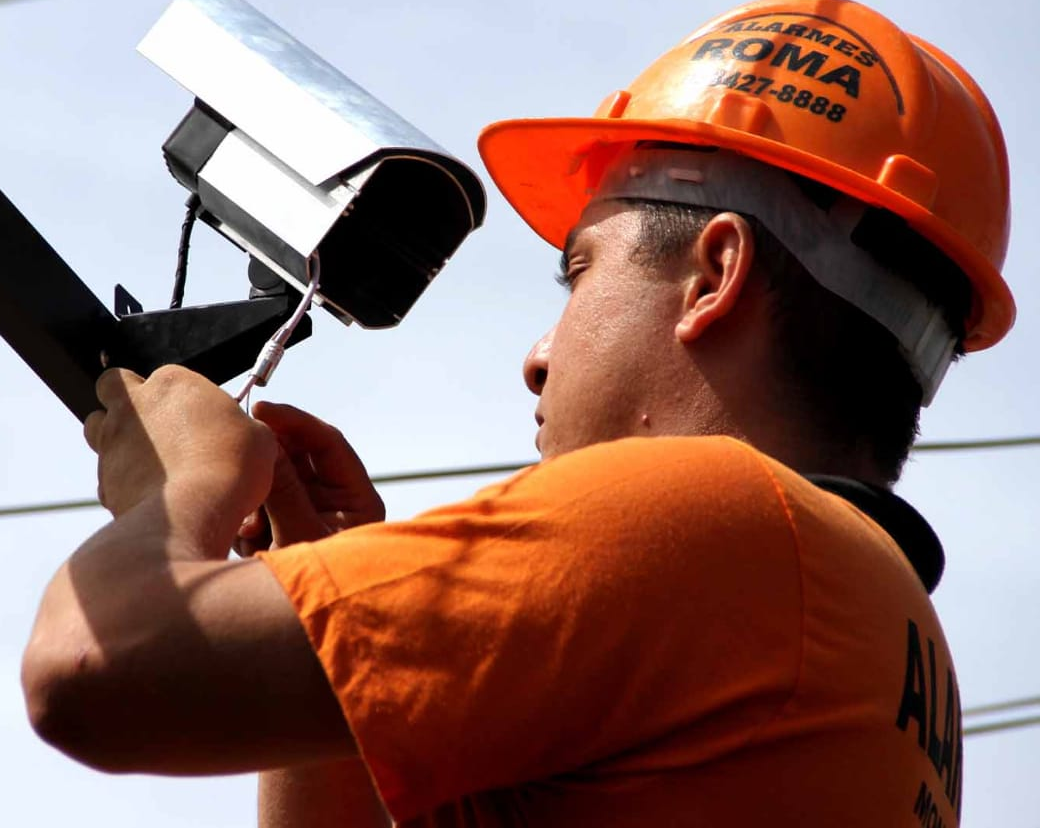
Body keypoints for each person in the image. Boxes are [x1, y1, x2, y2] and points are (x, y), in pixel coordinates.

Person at [21, 1, 1013, 826]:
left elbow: (91, 670)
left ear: (714, 273)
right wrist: (333, 602)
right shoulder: (889, 646)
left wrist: (178, 485)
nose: (537, 356)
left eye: (578, 273)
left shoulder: (712, 518)